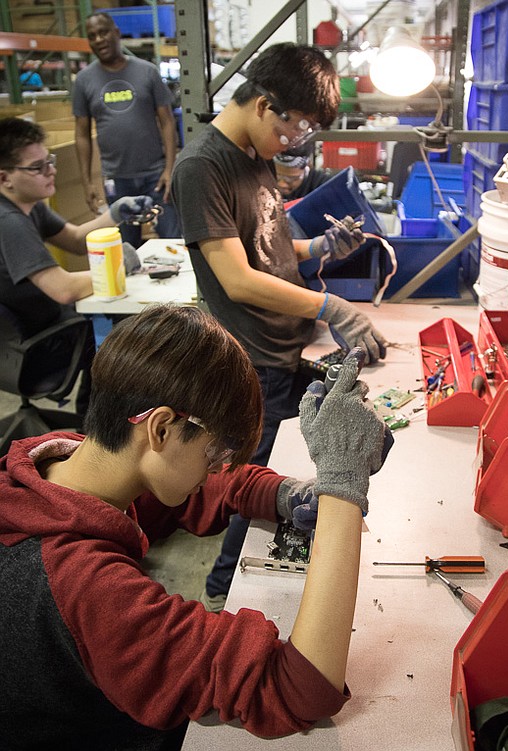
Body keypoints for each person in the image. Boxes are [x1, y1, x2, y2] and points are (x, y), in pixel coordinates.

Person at [0, 303, 389, 748]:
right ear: (161, 427)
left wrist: (284, 494)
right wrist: (342, 488)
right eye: (215, 454)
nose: (217, 469)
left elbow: (194, 486)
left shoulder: (61, 462)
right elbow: (300, 687)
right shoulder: (86, 587)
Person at [171, 42, 388, 612]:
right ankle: (221, 596)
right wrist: (331, 307)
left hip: (284, 350)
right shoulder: (202, 167)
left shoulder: (253, 152)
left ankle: (266, 578)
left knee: (304, 454)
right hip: (252, 358)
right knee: (254, 484)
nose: (297, 145)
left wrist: (318, 247)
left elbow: (265, 242)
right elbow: (237, 278)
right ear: (267, 105)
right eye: (298, 130)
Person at [0, 116, 155, 415]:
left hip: (42, 328)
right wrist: (122, 263)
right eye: (38, 167)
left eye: (50, 161)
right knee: (129, 331)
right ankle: (95, 427)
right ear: (5, 178)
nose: (51, 171)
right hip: (35, 345)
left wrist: (115, 212)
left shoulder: (27, 205)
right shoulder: (9, 222)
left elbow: (73, 239)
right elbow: (63, 289)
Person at [73, 12, 181, 248]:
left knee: (173, 239)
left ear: (116, 33)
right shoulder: (84, 80)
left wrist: (169, 168)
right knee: (125, 248)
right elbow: (81, 134)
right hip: (117, 179)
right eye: (92, 36)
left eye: (103, 32)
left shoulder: (147, 71)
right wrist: (87, 183)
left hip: (156, 176)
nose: (99, 39)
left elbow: (167, 121)